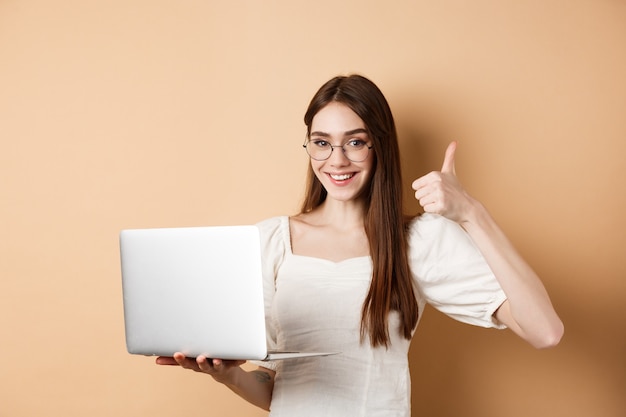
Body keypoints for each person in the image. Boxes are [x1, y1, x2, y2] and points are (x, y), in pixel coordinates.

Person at [156, 74, 564, 416]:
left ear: (379, 146)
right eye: (321, 142)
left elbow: (544, 330)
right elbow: (278, 386)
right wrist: (228, 375)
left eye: (355, 142)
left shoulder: (418, 241)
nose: (336, 160)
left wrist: (472, 213)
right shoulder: (270, 241)